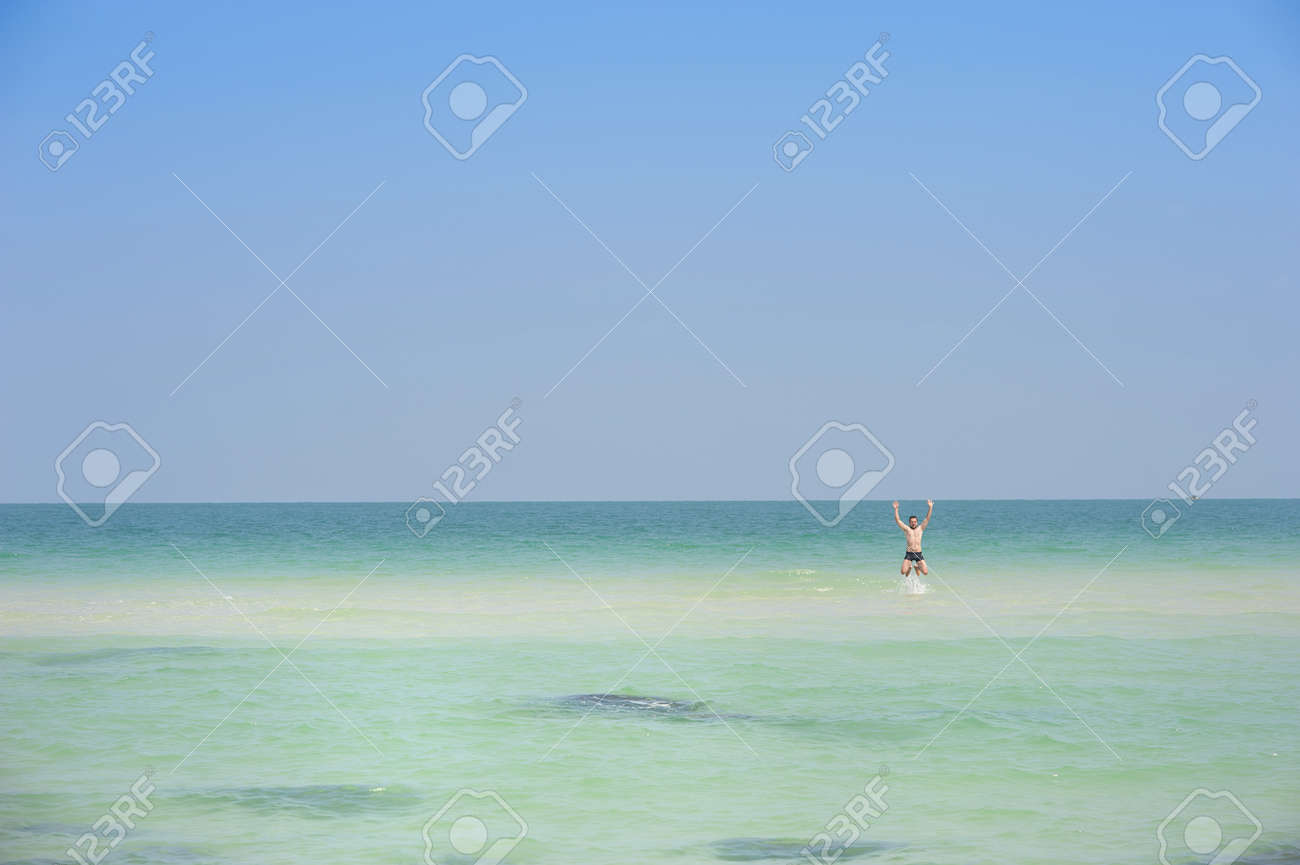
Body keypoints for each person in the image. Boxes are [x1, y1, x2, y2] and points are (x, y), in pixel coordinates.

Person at [893, 500, 933, 576]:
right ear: (909, 522)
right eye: (912, 522)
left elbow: (927, 518)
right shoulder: (907, 529)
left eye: (914, 521)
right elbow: (898, 520)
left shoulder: (921, 528)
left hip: (918, 553)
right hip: (909, 554)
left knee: (925, 572)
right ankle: (909, 567)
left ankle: (917, 567)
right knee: (903, 572)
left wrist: (930, 507)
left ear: (917, 522)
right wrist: (896, 509)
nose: (913, 523)